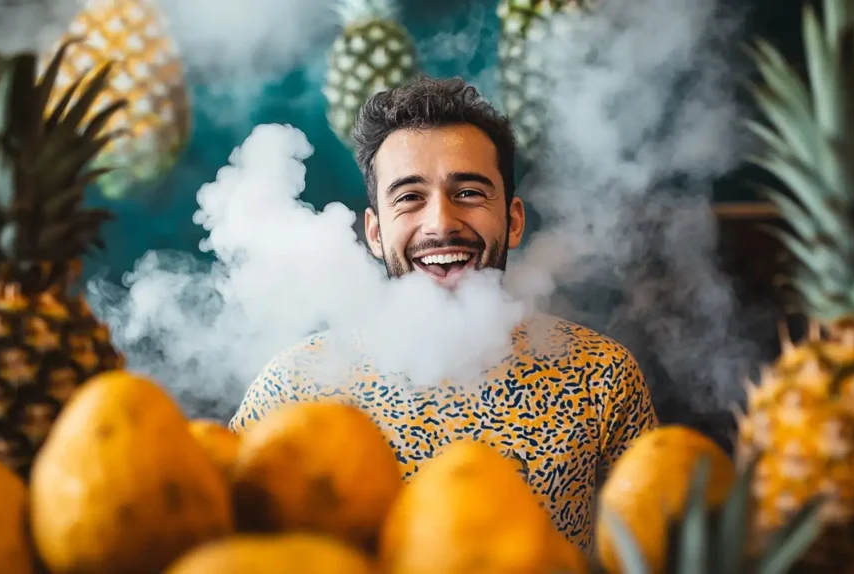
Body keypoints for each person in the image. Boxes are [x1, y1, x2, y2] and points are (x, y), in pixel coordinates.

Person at [230, 76, 658, 550]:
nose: (441, 222)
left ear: (513, 220)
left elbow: (655, 548)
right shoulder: (294, 390)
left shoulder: (601, 377)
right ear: (374, 233)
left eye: (470, 192)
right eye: (410, 197)